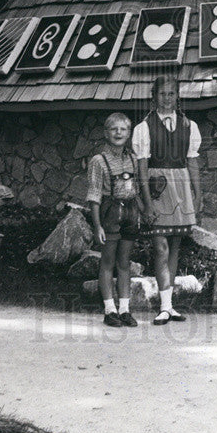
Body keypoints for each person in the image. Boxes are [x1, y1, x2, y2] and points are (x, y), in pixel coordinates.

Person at [133, 76, 202, 325]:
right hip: (157, 188)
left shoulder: (188, 125)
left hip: (181, 187)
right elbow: (141, 167)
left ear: (177, 97)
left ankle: (169, 306)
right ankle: (163, 307)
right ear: (154, 97)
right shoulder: (144, 127)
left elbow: (192, 161)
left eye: (172, 94)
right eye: (162, 94)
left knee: (174, 246)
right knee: (160, 245)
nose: (167, 98)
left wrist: (198, 192)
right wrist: (147, 203)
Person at [87, 112, 150, 327]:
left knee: (124, 262)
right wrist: (97, 226)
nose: (118, 133)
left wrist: (143, 211)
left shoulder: (133, 158)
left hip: (130, 213)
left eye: (123, 129)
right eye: (114, 129)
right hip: (110, 213)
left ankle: (124, 309)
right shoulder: (99, 161)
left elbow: (137, 190)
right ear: (106, 133)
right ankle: (109, 310)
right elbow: (94, 195)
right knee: (107, 262)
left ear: (129, 134)